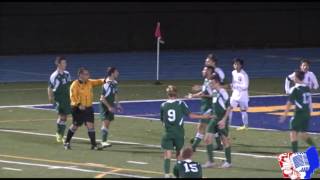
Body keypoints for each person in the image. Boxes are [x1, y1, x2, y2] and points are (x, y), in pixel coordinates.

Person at [160, 85, 213, 178]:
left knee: (167, 154)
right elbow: (191, 116)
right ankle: (179, 175)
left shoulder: (163, 105)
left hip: (167, 132)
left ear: (167, 94)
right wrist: (204, 117)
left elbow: (162, 120)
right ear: (176, 93)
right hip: (179, 133)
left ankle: (167, 175)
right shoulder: (180, 104)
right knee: (179, 154)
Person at [64, 67, 104, 150]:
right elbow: (73, 96)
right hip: (78, 109)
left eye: (88, 74)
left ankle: (94, 145)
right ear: (81, 75)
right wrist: (79, 105)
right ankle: (67, 142)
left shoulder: (89, 82)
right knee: (75, 126)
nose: (88, 76)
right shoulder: (75, 84)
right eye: (86, 74)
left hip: (88, 108)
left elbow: (98, 81)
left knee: (91, 126)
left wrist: (107, 80)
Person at [187, 66, 223, 152]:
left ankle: (194, 147)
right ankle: (219, 145)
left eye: (204, 70)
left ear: (209, 71)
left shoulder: (211, 82)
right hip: (205, 107)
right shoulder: (206, 80)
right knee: (212, 128)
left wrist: (202, 95)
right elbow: (203, 92)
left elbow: (214, 95)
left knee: (201, 127)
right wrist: (193, 95)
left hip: (210, 107)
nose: (202, 71)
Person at [280, 70, 316, 153]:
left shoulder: (295, 89)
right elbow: (309, 100)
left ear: (296, 78)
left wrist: (284, 115)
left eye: (294, 77)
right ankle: (314, 147)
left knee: (293, 133)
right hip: (306, 113)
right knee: (303, 134)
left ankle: (295, 154)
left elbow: (289, 103)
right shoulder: (307, 88)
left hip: (299, 114)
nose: (293, 78)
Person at [202, 74, 232, 169]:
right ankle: (211, 161)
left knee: (225, 140)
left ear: (217, 82)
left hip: (222, 119)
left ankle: (228, 162)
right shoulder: (215, 92)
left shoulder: (223, 92)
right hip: (214, 118)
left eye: (212, 83)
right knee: (207, 139)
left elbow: (229, 107)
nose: (210, 84)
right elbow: (215, 104)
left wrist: (224, 120)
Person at [48, 56, 72, 143]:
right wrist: (50, 97)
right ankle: (59, 134)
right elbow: (50, 87)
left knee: (65, 117)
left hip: (67, 98)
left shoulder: (67, 74)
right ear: (58, 64)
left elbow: (70, 85)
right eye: (63, 63)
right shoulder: (54, 75)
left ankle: (60, 133)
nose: (65, 64)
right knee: (62, 116)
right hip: (59, 98)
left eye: (65, 63)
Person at [99, 67, 122, 148]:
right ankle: (103, 141)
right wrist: (109, 107)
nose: (118, 73)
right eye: (116, 71)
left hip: (110, 105)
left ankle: (104, 140)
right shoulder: (106, 84)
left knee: (107, 123)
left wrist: (118, 104)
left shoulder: (115, 82)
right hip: (105, 105)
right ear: (112, 73)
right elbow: (102, 98)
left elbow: (115, 94)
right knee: (106, 123)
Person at [229, 58, 250, 130]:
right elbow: (233, 81)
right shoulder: (233, 72)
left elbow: (246, 86)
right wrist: (232, 86)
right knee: (229, 108)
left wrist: (237, 86)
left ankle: (245, 125)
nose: (236, 65)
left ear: (241, 65)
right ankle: (227, 124)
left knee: (243, 110)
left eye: (237, 64)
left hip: (242, 95)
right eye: (235, 64)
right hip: (235, 94)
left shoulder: (244, 75)